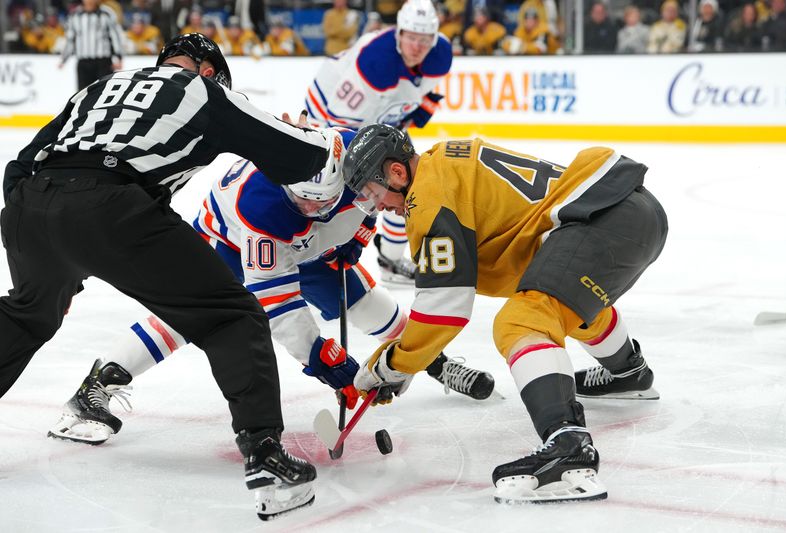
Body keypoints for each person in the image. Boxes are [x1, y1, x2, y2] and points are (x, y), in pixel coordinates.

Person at [1, 33, 332, 520]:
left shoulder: (101, 85)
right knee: (231, 316)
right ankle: (265, 457)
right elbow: (302, 156)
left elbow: (19, 164)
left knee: (29, 314)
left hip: (30, 205)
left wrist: (51, 249)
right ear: (206, 69)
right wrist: (320, 140)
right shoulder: (202, 90)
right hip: (112, 206)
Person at [48, 128, 494, 445]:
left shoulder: (355, 153)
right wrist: (326, 362)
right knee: (189, 317)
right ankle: (97, 385)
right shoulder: (262, 209)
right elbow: (280, 307)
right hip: (229, 243)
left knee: (362, 300)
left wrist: (355, 236)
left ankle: (432, 361)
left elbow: (378, 195)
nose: (309, 207)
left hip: (308, 244)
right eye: (300, 199)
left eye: (319, 201)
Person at [342, 124, 667, 504]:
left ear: (397, 173)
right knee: (561, 302)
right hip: (627, 209)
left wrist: (392, 364)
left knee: (522, 321)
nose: (377, 205)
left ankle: (568, 446)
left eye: (372, 192)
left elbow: (443, 311)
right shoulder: (443, 160)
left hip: (606, 221)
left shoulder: (428, 199)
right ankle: (629, 372)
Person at [305, 0, 452, 285]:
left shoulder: (441, 52)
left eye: (424, 39)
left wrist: (417, 111)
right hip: (329, 111)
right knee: (333, 185)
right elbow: (340, 125)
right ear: (399, 33)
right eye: (411, 37)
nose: (417, 46)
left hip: (385, 117)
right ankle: (313, 250)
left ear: (433, 38)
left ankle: (391, 259)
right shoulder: (374, 62)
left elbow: (426, 90)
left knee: (409, 181)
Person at [59, 0, 125, 90]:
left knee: (103, 92)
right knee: (83, 94)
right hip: (83, 62)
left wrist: (118, 57)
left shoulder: (106, 13)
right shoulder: (75, 15)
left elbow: (115, 36)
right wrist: (64, 59)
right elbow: (70, 38)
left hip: (103, 62)